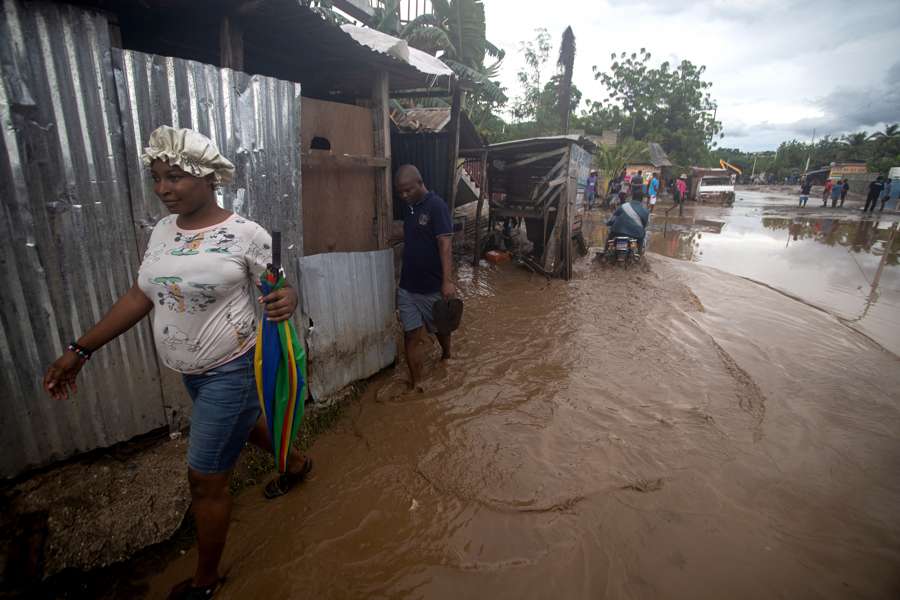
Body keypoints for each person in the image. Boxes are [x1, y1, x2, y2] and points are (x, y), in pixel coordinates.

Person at [42, 126, 312, 600]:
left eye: (175, 177)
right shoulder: (164, 231)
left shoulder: (245, 234)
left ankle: (205, 582)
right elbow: (140, 294)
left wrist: (287, 298)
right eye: (157, 178)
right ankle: (296, 463)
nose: (163, 189)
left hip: (232, 368)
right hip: (190, 373)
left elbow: (279, 287)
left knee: (204, 479)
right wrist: (81, 350)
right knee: (243, 426)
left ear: (208, 177)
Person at [394, 164, 456, 390]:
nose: (404, 195)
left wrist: (447, 281)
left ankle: (447, 356)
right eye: (400, 192)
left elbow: (445, 244)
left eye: (408, 190)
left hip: (432, 285)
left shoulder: (437, 206)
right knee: (411, 336)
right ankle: (416, 384)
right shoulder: (409, 208)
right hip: (408, 286)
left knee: (441, 329)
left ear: (420, 183)